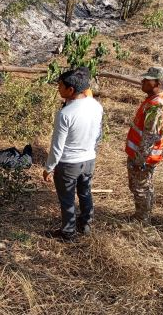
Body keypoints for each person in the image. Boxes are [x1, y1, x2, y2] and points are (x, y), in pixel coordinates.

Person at [43, 69, 103, 241]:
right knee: (85, 192)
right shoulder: (96, 106)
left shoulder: (65, 114)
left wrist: (49, 168)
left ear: (70, 90)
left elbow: (57, 146)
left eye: (60, 86)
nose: (58, 88)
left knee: (67, 198)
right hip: (89, 160)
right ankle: (85, 224)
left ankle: (68, 233)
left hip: (68, 164)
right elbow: (98, 134)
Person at [125, 66, 163, 223]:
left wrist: (140, 160)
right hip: (145, 154)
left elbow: (150, 136)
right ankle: (145, 214)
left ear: (157, 83)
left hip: (144, 156)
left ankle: (141, 219)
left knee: (140, 187)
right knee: (145, 186)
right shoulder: (159, 100)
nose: (142, 81)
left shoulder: (157, 105)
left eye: (147, 80)